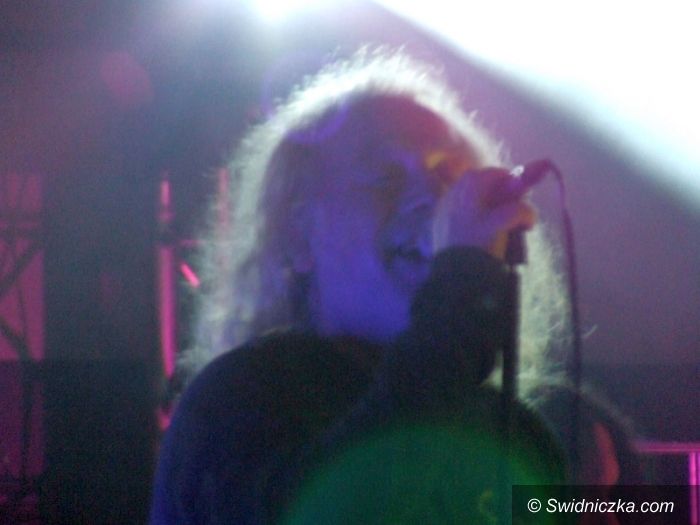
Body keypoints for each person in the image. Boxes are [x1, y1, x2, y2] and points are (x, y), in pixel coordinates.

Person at [150, 47, 569, 524]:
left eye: (448, 177)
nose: (432, 198)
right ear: (299, 233)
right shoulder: (240, 401)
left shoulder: (517, 437)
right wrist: (459, 291)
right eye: (386, 179)